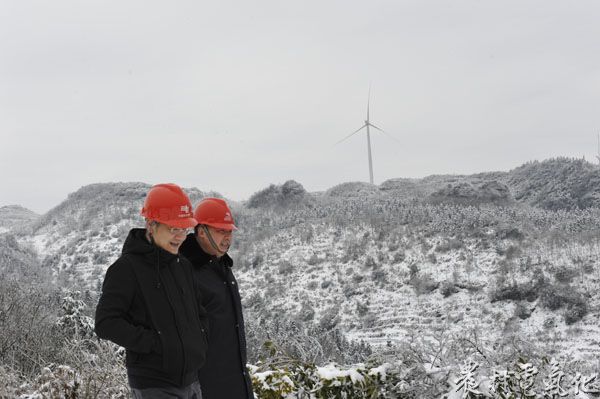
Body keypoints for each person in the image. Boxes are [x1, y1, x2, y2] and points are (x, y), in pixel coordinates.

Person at [95, 183, 208, 398]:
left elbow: (199, 314)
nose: (180, 236)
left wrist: (199, 342)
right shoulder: (126, 269)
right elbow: (105, 323)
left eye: (184, 229)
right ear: (150, 224)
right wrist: (155, 343)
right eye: (173, 228)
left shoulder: (183, 265)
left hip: (192, 380)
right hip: (154, 384)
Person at [179, 198, 254, 398]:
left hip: (236, 383)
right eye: (221, 231)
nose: (227, 237)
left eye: (229, 231)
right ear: (201, 231)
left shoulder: (221, 266)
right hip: (207, 386)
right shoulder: (187, 271)